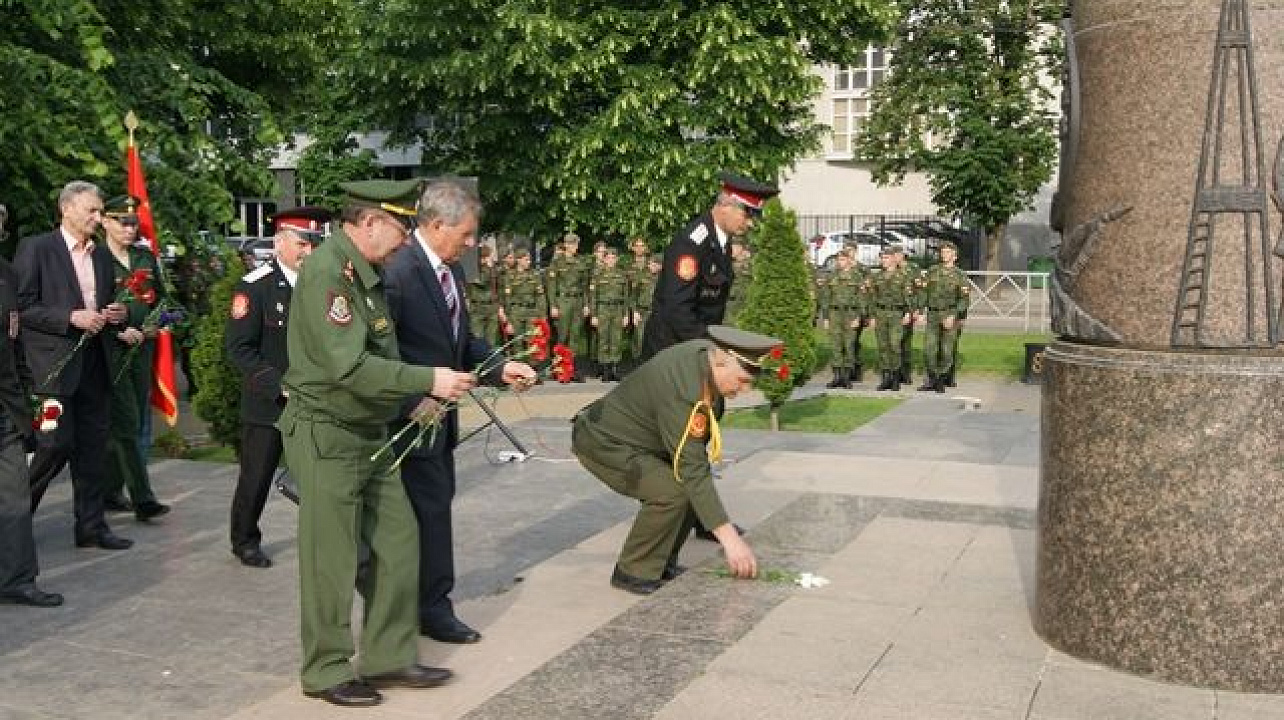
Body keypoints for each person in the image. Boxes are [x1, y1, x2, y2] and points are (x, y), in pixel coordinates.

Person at [277, 179, 476, 707]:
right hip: (327, 433)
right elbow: (347, 365)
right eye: (400, 227)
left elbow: (379, 356)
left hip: (370, 431)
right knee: (332, 558)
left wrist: (411, 400)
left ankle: (389, 656)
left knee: (398, 540)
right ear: (369, 223)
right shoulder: (329, 274)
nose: (407, 240)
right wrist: (425, 382)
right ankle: (324, 670)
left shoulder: (367, 276)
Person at [384, 179, 537, 645]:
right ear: (435, 224)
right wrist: (414, 399)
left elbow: (460, 343)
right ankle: (429, 609)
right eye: (466, 234)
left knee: (432, 511)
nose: (471, 244)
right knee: (421, 516)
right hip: (408, 418)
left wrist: (499, 366)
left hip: (439, 418)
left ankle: (424, 604)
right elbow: (382, 349)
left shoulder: (448, 273)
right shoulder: (399, 272)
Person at [572, 325, 777, 594]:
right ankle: (634, 571)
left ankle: (662, 563)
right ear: (720, 360)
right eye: (742, 380)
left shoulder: (706, 369)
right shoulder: (686, 386)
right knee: (672, 493)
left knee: (688, 487)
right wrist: (730, 541)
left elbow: (693, 459)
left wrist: (709, 519)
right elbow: (692, 468)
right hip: (604, 442)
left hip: (644, 443)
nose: (745, 390)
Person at [16, 181, 132, 551]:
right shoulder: (37, 248)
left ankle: (92, 527)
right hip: (50, 371)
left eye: (100, 211)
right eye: (92, 211)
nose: (99, 218)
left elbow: (105, 301)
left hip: (94, 367)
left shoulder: (99, 255)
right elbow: (22, 307)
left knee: (92, 449)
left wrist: (117, 313)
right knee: (51, 445)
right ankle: (14, 522)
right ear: (66, 209)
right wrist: (70, 317)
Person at [224, 206, 329, 569]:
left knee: (319, 474)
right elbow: (239, 349)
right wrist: (278, 386)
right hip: (269, 401)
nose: (309, 252)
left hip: (314, 401)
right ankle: (244, 540)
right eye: (303, 243)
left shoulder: (321, 283)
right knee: (257, 475)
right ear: (281, 243)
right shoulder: (257, 286)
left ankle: (322, 536)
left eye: (315, 244)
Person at [639, 171, 778, 360]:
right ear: (725, 206)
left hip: (695, 348)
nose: (751, 223)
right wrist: (711, 346)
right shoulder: (692, 244)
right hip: (672, 352)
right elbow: (677, 308)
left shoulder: (722, 243)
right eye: (747, 214)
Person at [0, 210, 63, 607]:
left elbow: (13, 337)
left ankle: (17, 579)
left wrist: (31, 394)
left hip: (5, 405)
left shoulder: (7, 273)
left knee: (15, 497)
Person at [100, 196, 170, 522]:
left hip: (142, 349)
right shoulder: (96, 258)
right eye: (122, 222)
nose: (130, 228)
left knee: (130, 420)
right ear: (105, 222)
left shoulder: (145, 258)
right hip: (109, 351)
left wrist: (152, 325)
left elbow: (165, 302)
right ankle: (143, 499)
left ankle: (109, 491)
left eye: (133, 222)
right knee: (127, 422)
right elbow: (89, 304)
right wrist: (118, 330)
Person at [918, 241, 970, 392]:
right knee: (929, 349)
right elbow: (923, 292)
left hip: (950, 314)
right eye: (943, 252)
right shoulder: (932, 271)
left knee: (947, 351)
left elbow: (964, 299)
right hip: (933, 314)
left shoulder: (960, 275)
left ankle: (941, 378)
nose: (944, 255)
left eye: (947, 252)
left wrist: (955, 316)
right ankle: (933, 378)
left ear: (954, 256)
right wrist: (920, 311)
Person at [867, 245, 916, 391]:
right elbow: (872, 298)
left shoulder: (903, 277)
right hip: (881, 314)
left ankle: (895, 377)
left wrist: (908, 313)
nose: (884, 260)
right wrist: (872, 316)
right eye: (882, 258)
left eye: (886, 257)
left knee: (895, 345)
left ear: (894, 259)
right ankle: (886, 377)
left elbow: (909, 297)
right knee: (883, 346)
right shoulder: (877, 277)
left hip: (896, 314)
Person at [819, 247, 868, 388]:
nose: (839, 262)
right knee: (835, 345)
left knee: (849, 345)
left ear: (848, 260)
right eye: (838, 259)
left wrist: (859, 317)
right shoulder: (832, 276)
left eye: (842, 259)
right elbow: (826, 297)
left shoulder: (857, 276)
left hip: (850, 314)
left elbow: (861, 298)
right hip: (835, 314)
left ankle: (846, 377)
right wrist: (826, 318)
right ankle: (837, 377)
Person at [544, 233, 590, 381]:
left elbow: (585, 286)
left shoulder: (580, 263)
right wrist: (553, 306)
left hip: (577, 302)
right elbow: (551, 286)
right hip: (563, 301)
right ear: (566, 245)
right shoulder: (557, 263)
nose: (574, 247)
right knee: (562, 336)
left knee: (575, 337)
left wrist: (586, 304)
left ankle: (572, 370)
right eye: (571, 244)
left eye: (576, 244)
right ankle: (559, 370)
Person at [586, 245, 631, 382]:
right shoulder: (598, 275)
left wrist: (625, 315)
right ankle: (605, 370)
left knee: (616, 339)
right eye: (608, 258)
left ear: (617, 259)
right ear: (604, 259)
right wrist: (593, 315)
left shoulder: (622, 275)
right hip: (603, 310)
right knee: (603, 339)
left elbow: (626, 296)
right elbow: (593, 296)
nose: (611, 260)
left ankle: (614, 369)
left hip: (617, 310)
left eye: (613, 258)